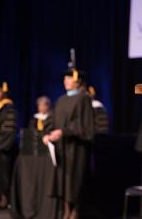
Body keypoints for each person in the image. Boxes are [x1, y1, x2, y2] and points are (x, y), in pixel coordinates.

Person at [43, 68, 94, 219]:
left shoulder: (84, 99)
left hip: (76, 148)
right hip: (61, 148)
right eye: (65, 79)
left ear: (77, 81)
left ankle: (75, 211)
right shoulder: (61, 99)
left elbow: (84, 125)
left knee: (74, 180)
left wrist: (64, 132)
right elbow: (51, 121)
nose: (65, 81)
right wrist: (47, 134)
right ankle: (66, 210)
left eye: (69, 79)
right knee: (63, 180)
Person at [10, 96, 57, 219]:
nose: (42, 108)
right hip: (31, 152)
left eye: (44, 105)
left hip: (46, 152)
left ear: (48, 106)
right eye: (40, 105)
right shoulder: (33, 119)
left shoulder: (53, 119)